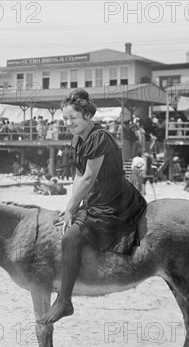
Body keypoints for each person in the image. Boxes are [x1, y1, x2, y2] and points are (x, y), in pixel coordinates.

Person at [39, 89, 147, 324]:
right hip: (96, 198)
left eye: (73, 118)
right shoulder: (78, 139)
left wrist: (71, 209)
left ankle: (65, 300)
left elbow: (89, 177)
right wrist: (72, 205)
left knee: (70, 239)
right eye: (65, 119)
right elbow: (79, 175)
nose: (68, 123)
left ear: (87, 115)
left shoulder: (99, 137)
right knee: (67, 224)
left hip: (114, 200)